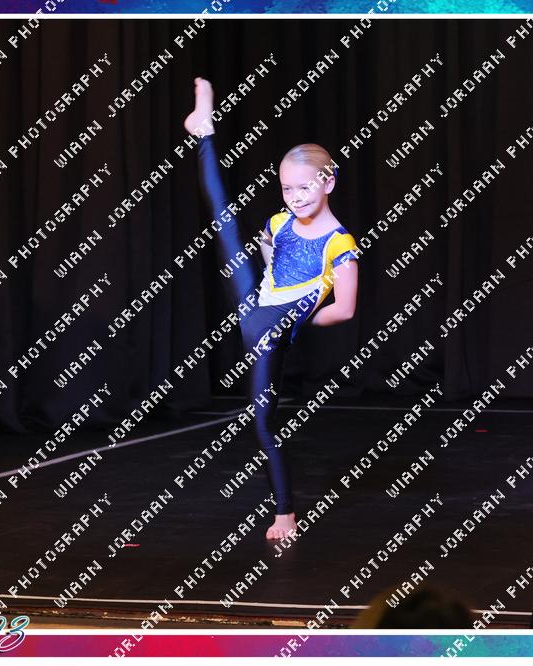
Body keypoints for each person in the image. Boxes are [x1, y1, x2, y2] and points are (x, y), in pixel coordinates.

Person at [184, 77, 360, 540]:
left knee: (262, 422)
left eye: (304, 188)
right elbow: (270, 251)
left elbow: (345, 309)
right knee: (221, 215)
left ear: (329, 181)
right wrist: (267, 280)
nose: (295, 198)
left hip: (271, 329)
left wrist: (297, 320)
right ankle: (204, 130)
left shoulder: (340, 244)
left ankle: (285, 514)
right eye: (286, 189)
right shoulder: (281, 221)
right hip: (256, 302)